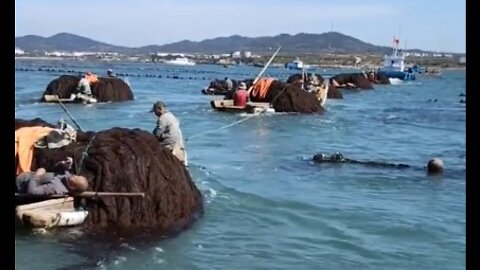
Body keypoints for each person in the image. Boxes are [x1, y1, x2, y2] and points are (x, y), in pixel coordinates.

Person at [16, 157, 89, 196]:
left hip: (19, 183)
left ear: (73, 187)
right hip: (23, 175)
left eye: (76, 178)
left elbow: (32, 191)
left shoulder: (55, 188)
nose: (74, 176)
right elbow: (56, 170)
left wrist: (37, 175)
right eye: (77, 176)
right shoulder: (68, 178)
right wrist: (64, 165)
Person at [150, 101, 188, 166]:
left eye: (155, 111)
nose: (155, 114)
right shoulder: (171, 115)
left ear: (159, 109)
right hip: (179, 143)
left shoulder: (163, 118)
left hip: (169, 143)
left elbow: (158, 133)